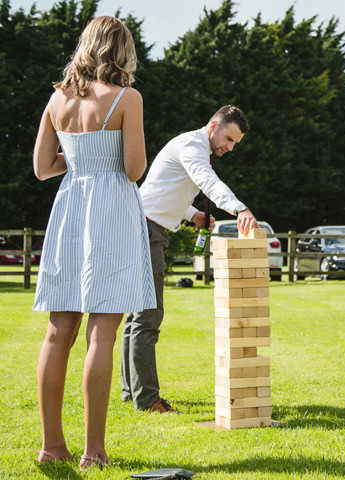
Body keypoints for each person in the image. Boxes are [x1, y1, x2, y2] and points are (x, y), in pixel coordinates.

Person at [32, 16, 154, 468]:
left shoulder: (57, 97)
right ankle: (94, 451)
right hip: (112, 212)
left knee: (57, 331)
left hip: (69, 209)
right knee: (102, 333)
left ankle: (51, 447)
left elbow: (43, 167)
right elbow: (134, 168)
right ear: (122, 50)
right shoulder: (128, 97)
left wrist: (79, 155)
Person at [120, 105, 258, 413]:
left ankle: (131, 392)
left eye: (235, 143)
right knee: (148, 315)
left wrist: (192, 214)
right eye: (229, 138)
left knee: (137, 315)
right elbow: (206, 181)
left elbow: (163, 189)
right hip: (145, 229)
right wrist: (240, 208)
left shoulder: (192, 146)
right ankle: (147, 400)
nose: (230, 147)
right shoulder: (192, 146)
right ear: (213, 126)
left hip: (144, 225)